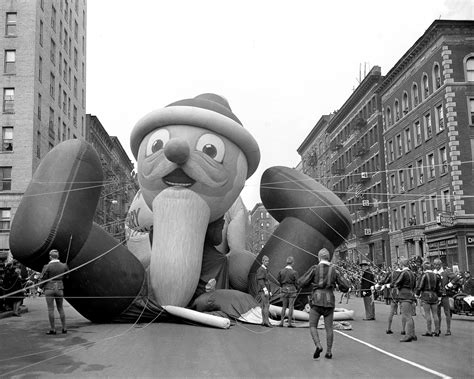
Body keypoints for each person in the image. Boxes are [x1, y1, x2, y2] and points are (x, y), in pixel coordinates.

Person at [298, 248, 350, 359]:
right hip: (329, 301)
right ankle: (329, 352)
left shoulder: (315, 269)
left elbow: (302, 282)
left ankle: (318, 345)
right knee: (329, 328)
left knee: (312, 325)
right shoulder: (334, 270)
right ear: (329, 258)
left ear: (319, 257)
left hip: (316, 300)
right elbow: (345, 286)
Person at [39, 249, 69, 335]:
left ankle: (53, 329)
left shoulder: (47, 266)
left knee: (50, 309)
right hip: (59, 288)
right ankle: (64, 328)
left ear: (50, 257)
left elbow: (43, 278)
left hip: (49, 288)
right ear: (58, 256)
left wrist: (39, 287)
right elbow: (67, 277)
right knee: (61, 308)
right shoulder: (64, 266)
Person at [394, 257, 417, 342]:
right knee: (410, 316)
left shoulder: (404, 273)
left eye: (400, 263)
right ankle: (413, 334)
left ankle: (408, 335)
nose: (399, 265)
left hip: (404, 295)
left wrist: (390, 285)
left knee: (407, 316)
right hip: (411, 294)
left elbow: (397, 283)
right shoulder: (412, 273)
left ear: (402, 264)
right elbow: (415, 285)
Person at [415, 261, 441, 337]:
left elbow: (420, 286)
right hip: (435, 295)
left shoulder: (424, 275)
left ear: (424, 267)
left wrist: (417, 294)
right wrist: (439, 296)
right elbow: (439, 287)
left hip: (426, 295)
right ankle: (437, 331)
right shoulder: (436, 275)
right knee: (435, 314)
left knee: (427, 314)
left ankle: (429, 331)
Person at [433, 258, 456, 336]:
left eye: (438, 265)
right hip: (436, 295)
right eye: (435, 264)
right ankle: (437, 329)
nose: (437, 266)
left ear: (441, 264)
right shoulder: (433, 273)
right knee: (437, 313)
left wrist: (449, 285)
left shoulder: (446, 272)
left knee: (447, 312)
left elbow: (456, 277)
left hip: (444, 295)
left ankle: (448, 330)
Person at [380, 263, 405, 335]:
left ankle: (388, 328)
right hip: (401, 292)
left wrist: (382, 285)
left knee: (391, 311)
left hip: (393, 293)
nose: (393, 267)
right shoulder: (403, 273)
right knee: (403, 311)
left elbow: (385, 281)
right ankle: (403, 330)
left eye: (394, 266)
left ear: (396, 266)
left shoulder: (392, 273)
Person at [277, 256, 298, 327]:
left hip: (283, 289)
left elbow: (278, 280)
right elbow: (296, 282)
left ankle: (281, 322)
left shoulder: (281, 271)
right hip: (292, 290)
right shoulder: (294, 272)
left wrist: (282, 286)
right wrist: (296, 288)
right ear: (293, 263)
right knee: (291, 306)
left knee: (284, 306)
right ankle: (289, 323)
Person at [256, 255, 272, 327]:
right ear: (262, 261)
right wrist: (265, 289)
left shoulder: (265, 269)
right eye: (266, 261)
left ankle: (263, 321)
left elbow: (268, 281)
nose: (267, 262)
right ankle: (267, 322)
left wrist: (270, 290)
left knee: (264, 305)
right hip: (263, 290)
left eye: (268, 261)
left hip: (266, 289)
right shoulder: (261, 269)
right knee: (266, 305)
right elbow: (260, 280)